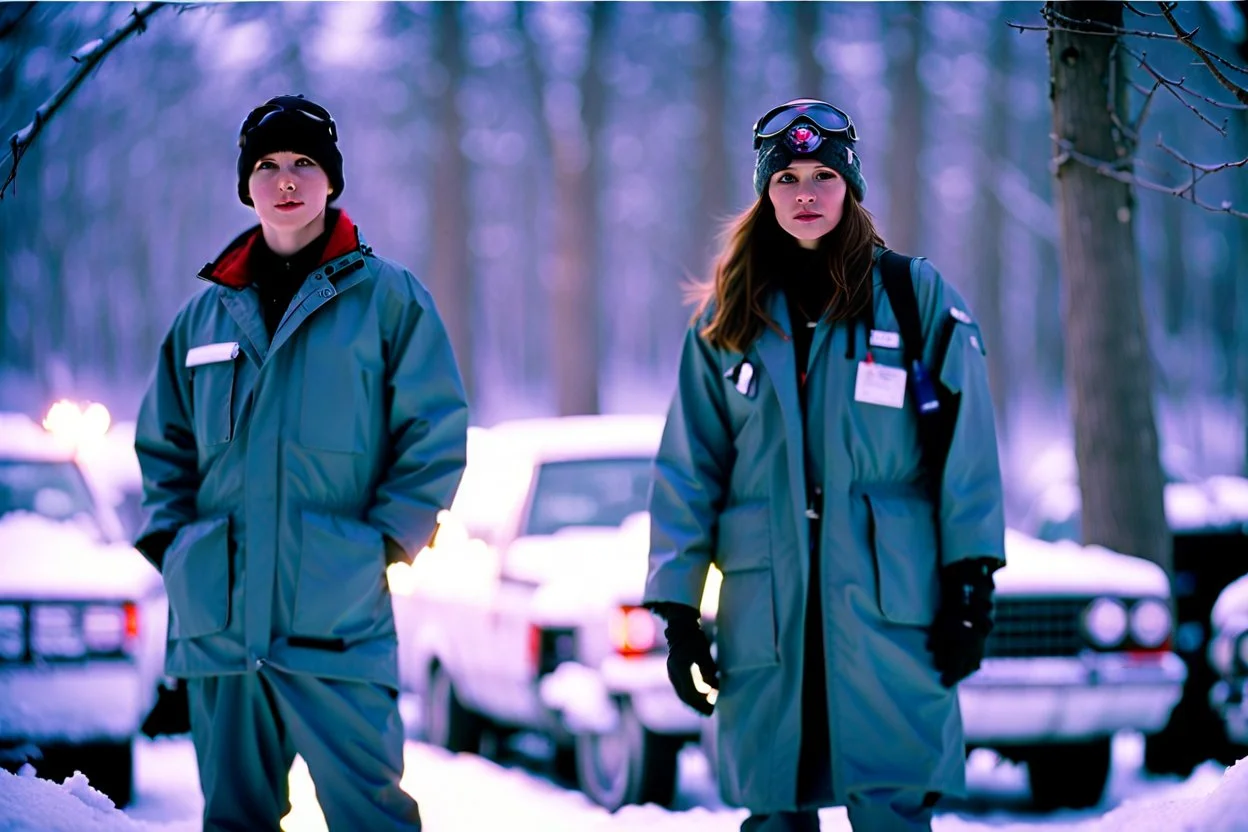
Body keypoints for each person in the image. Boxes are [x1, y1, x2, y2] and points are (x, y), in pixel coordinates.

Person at [643, 98, 1006, 832]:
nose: (805, 194)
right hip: (768, 613)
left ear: (851, 185)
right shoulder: (726, 316)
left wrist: (972, 580)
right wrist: (679, 609)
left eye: (822, 176)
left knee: (892, 802)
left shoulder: (912, 297)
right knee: (776, 807)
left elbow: (968, 445)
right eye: (786, 179)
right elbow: (690, 467)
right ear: (763, 191)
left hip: (888, 607)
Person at [133, 94, 468, 832]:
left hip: (337, 618)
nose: (286, 180)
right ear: (246, 185)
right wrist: (177, 547)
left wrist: (381, 542)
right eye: (268, 166)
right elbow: (163, 447)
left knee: (372, 817)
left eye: (304, 163)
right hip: (220, 624)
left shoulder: (388, 301)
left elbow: (434, 432)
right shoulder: (203, 317)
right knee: (234, 820)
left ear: (332, 180)